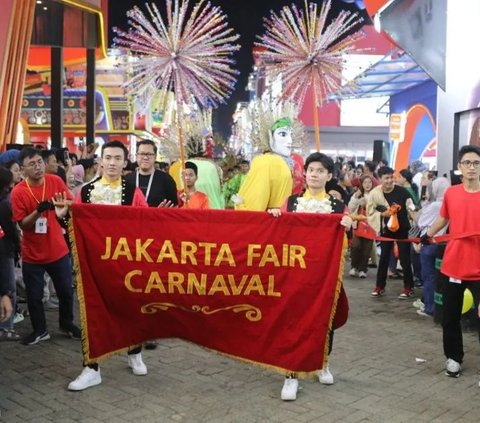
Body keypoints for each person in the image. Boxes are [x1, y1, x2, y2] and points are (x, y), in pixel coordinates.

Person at [268, 152, 352, 401]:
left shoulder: (338, 206)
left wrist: (348, 227)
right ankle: (290, 374)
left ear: (329, 176)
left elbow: (345, 242)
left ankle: (322, 362)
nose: (314, 174)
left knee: (324, 319)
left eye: (320, 170)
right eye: (311, 169)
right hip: (294, 273)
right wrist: (274, 218)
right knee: (292, 321)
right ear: (304, 173)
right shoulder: (291, 202)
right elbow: (278, 236)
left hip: (325, 274)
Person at [69, 140, 148, 391]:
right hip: (94, 263)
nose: (112, 162)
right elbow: (75, 227)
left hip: (127, 265)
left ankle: (134, 351)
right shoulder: (85, 191)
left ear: (126, 163)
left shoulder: (133, 192)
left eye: (117, 158)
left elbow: (147, 226)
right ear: (100, 161)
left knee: (130, 310)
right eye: (108, 158)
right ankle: (91, 367)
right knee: (91, 313)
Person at [421, 145, 480, 379]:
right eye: (467, 163)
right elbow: (444, 218)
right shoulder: (452, 193)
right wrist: (428, 235)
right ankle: (454, 358)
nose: (472, 167)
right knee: (451, 317)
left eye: (476, 163)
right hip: (454, 265)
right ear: (459, 167)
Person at [11, 148, 80, 345]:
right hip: (32, 254)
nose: (38, 167)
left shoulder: (55, 181)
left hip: (58, 250)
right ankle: (40, 330)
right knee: (34, 296)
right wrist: (38, 211)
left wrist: (61, 206)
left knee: (66, 291)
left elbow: (70, 201)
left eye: (40, 162)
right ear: (23, 169)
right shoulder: (18, 192)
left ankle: (66, 324)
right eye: (31, 164)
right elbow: (22, 223)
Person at [367, 166, 415, 299]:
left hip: (403, 230)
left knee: (405, 260)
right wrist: (384, 214)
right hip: (386, 231)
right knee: (383, 259)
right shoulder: (374, 194)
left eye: (391, 177)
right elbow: (371, 212)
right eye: (386, 178)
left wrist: (414, 215)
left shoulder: (403, 192)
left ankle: (408, 287)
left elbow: (412, 207)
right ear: (380, 179)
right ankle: (379, 286)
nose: (389, 181)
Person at [235, 117, 294, 211]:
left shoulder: (266, 161)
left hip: (269, 221)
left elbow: (254, 207)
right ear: (270, 136)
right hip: (282, 219)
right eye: (283, 134)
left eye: (291, 135)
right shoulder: (271, 162)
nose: (290, 140)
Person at [415, 177, 450, 317]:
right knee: (437, 277)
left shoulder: (436, 205)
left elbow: (420, 221)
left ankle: (430, 308)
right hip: (441, 244)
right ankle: (435, 305)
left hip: (429, 243)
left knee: (428, 276)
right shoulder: (447, 204)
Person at [0, 167, 21, 340]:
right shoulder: (5, 204)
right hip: (4, 251)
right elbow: (10, 231)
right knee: (8, 288)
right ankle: (6, 326)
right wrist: (18, 246)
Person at [126, 139, 177, 208]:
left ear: (155, 157)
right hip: (133, 218)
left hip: (157, 218)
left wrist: (162, 213)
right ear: (136, 156)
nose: (145, 157)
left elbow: (175, 207)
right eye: (142, 154)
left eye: (149, 154)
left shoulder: (166, 180)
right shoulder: (127, 179)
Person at [348, 175, 375, 278]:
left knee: (367, 248)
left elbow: (380, 208)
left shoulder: (376, 194)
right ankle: (353, 267)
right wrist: (357, 199)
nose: (367, 184)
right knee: (355, 246)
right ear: (361, 184)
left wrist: (367, 204)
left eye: (369, 182)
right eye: (365, 182)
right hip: (358, 224)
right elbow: (350, 207)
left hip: (371, 225)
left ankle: (363, 269)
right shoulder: (357, 194)